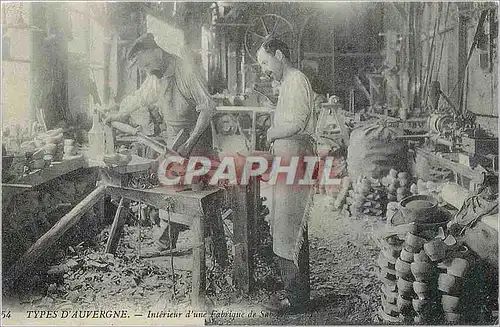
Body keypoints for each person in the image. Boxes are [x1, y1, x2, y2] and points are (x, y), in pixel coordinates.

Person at [105, 33, 216, 251]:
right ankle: (166, 241)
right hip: (173, 137)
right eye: (143, 67)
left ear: (157, 51)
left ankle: (209, 248)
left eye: (146, 63)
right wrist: (118, 116)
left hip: (197, 138)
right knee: (170, 186)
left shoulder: (185, 70)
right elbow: (139, 98)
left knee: (198, 196)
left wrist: (190, 142)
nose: (146, 69)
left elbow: (208, 108)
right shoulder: (156, 76)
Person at [257, 38, 316, 313]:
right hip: (289, 161)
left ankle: (297, 300)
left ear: (280, 54)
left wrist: (271, 133)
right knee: (286, 229)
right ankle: (296, 295)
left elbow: (297, 122)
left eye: (265, 63)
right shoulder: (288, 83)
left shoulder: (297, 79)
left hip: (297, 161)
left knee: (288, 230)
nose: (264, 69)